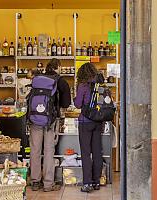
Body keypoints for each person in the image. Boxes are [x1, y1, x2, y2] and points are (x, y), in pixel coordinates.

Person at [30, 58, 71, 192]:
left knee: (35, 150)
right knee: (48, 151)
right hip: (51, 121)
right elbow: (66, 103)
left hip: (35, 119)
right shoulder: (60, 81)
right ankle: (48, 184)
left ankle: (35, 182)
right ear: (58, 67)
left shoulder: (37, 79)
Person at [74, 63, 103, 193]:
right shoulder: (100, 85)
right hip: (98, 121)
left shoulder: (83, 86)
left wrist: (76, 98)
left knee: (86, 153)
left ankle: (87, 183)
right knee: (97, 152)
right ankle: (96, 182)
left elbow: (78, 104)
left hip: (85, 122)